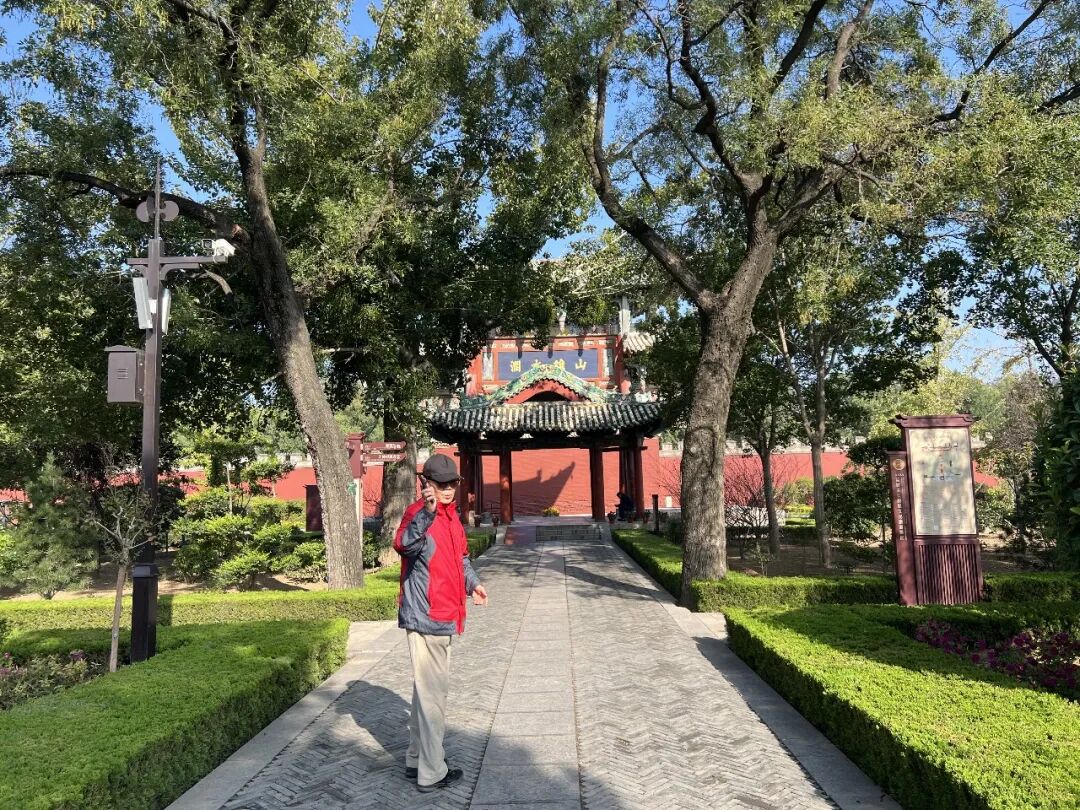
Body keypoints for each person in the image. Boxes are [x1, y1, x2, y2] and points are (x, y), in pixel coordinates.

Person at [394, 454, 489, 792]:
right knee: (434, 697)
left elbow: (460, 559)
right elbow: (403, 545)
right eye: (441, 484)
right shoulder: (418, 514)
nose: (448, 489)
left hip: (447, 613)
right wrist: (427, 511)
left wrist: (473, 583)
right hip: (426, 616)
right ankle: (432, 772)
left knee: (424, 692)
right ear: (427, 484)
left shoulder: (452, 518)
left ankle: (415, 758)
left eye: (452, 484)